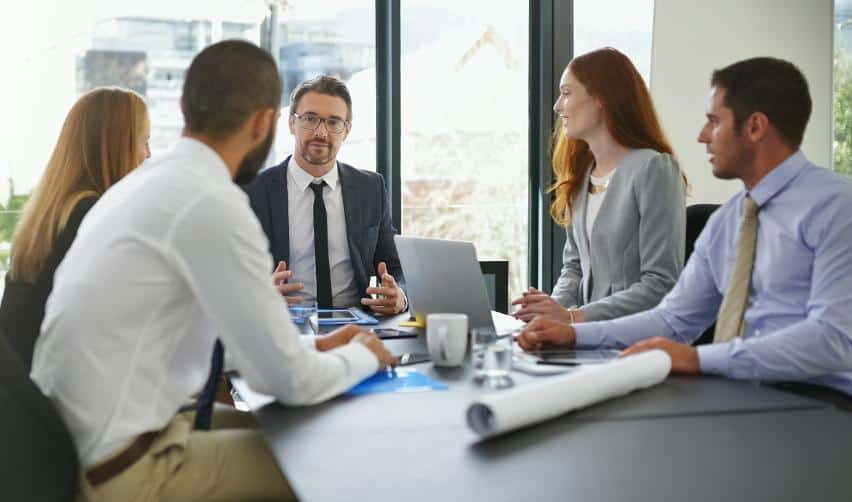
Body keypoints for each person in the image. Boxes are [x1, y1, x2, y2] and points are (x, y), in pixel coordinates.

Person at [31, 40, 396, 501]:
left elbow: (248, 350)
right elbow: (288, 382)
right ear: (269, 122)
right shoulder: (212, 201)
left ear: (186, 106)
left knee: (300, 427)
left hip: (86, 441)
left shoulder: (152, 182)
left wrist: (316, 346)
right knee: (338, 452)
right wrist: (368, 354)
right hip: (128, 466)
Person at [517, 57, 852, 406]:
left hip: (825, 402)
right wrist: (572, 334)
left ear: (755, 127)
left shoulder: (837, 206)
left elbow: (836, 339)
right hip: (739, 398)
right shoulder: (731, 220)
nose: (702, 136)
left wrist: (697, 360)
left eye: (714, 122)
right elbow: (672, 319)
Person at [512, 47, 687, 326]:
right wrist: (547, 314)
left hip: (632, 339)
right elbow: (574, 268)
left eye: (567, 93)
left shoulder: (653, 168)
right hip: (587, 337)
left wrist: (572, 318)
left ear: (601, 98)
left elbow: (660, 283)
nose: (557, 106)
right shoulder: (582, 177)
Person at [0, 87, 150, 370]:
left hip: (18, 391)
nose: (148, 154)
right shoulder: (91, 215)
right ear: (116, 147)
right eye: (144, 141)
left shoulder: (57, 209)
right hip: (44, 400)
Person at [243, 75, 407, 315]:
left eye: (333, 122)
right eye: (310, 119)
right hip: (282, 323)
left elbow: (396, 267)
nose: (321, 132)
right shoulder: (254, 190)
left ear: (347, 130)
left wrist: (400, 296)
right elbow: (230, 273)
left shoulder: (370, 188)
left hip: (355, 325)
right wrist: (259, 295)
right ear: (291, 123)